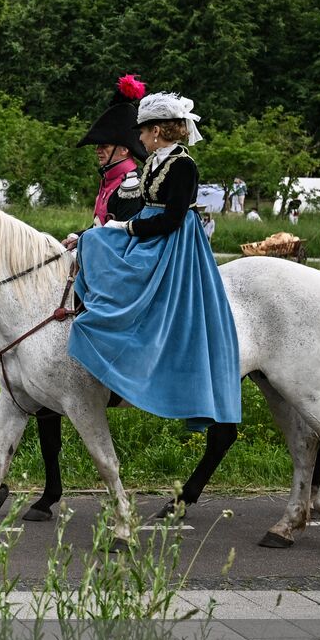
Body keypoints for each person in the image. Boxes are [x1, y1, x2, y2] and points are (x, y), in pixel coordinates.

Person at [69, 92, 241, 431]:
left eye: (143, 132)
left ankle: (122, 332)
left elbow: (173, 219)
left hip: (172, 241)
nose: (140, 138)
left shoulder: (183, 165)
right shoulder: (153, 162)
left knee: (104, 244)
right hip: (148, 232)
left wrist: (128, 226)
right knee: (92, 239)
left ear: (157, 131)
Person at [77, 73, 149, 226]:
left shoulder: (131, 184)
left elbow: (121, 235)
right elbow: (100, 226)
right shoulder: (110, 179)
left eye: (104, 146)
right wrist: (77, 238)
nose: (98, 150)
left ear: (124, 149)